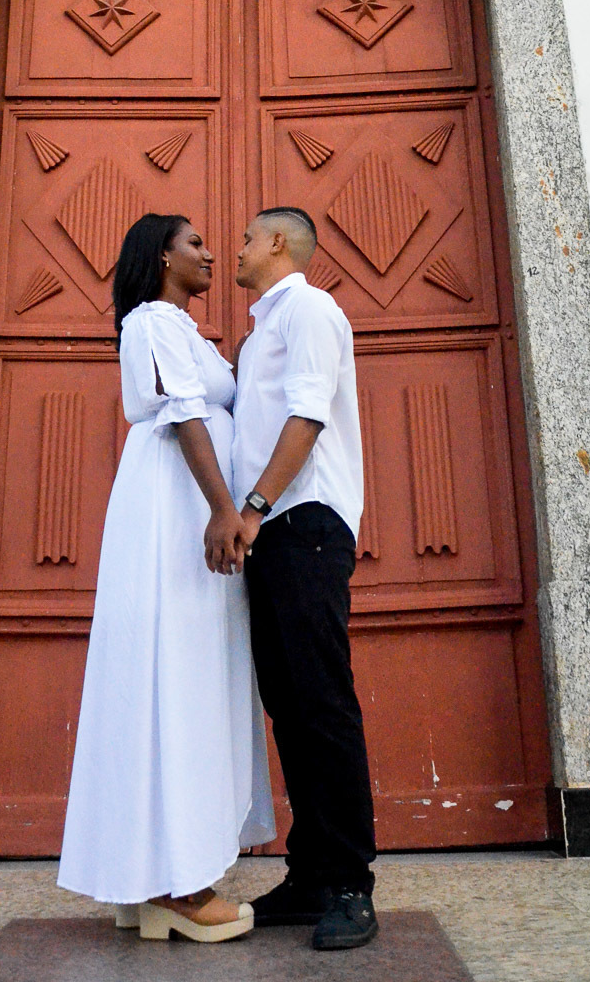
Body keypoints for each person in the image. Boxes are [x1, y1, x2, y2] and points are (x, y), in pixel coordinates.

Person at [57, 213, 275, 943]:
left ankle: (146, 877)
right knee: (173, 680)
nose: (210, 254)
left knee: (182, 679)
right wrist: (222, 510)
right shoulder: (151, 320)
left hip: (188, 507)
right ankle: (180, 884)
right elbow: (185, 413)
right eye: (194, 244)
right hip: (173, 510)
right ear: (160, 257)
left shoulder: (186, 331)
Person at [233, 206, 378, 952]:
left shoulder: (310, 310)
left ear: (279, 244)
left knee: (321, 702)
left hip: (305, 525)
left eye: (248, 237)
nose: (239, 248)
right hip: (270, 538)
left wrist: (254, 506)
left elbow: (308, 414)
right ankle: (311, 871)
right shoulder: (261, 332)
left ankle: (352, 884)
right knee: (288, 705)